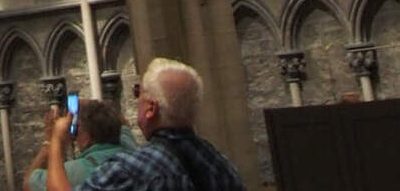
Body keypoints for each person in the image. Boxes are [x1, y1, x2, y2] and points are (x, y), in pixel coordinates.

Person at [36, 60, 246, 191]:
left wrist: (56, 140)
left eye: (139, 93)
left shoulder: (132, 168)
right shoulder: (220, 164)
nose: (137, 100)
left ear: (151, 109)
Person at [23, 99, 132, 189]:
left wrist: (52, 140)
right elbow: (123, 124)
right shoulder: (132, 152)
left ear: (86, 138)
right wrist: (98, 109)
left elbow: (28, 184)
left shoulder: (75, 171)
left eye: (76, 130)